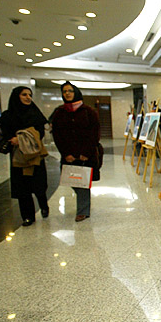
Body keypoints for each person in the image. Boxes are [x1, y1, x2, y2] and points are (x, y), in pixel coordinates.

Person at [0, 86, 49, 226]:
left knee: (38, 185)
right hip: (18, 157)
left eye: (30, 95)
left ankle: (43, 206)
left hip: (34, 155)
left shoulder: (35, 114)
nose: (28, 97)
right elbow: (7, 134)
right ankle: (27, 216)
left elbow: (40, 134)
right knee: (23, 188)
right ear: (16, 97)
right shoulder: (8, 116)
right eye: (24, 95)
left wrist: (20, 139)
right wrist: (14, 140)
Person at [51, 82, 100, 222]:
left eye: (70, 91)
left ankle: (83, 211)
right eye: (65, 91)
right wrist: (66, 153)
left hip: (85, 154)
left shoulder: (88, 111)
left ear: (76, 92)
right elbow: (57, 135)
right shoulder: (59, 112)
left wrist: (86, 152)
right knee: (72, 180)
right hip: (68, 155)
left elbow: (94, 133)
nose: (67, 93)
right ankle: (83, 206)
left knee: (83, 182)